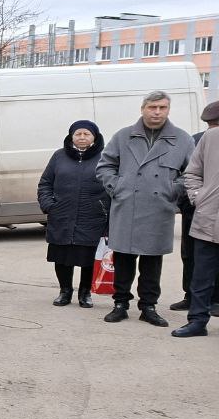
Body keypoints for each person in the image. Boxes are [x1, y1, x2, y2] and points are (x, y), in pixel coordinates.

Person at [95, 90, 194, 327]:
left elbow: (191, 173)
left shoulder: (182, 139)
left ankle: (148, 306)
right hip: (127, 206)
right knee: (123, 258)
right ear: (143, 109)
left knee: (152, 261)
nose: (157, 112)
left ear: (168, 110)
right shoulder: (123, 136)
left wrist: (172, 190)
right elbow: (104, 166)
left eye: (162, 107)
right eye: (152, 107)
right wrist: (118, 187)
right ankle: (120, 304)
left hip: (159, 209)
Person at [37, 120, 110, 308]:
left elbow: (113, 187)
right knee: (62, 257)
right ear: (71, 136)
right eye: (78, 134)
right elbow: (45, 183)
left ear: (95, 137)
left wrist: (106, 210)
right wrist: (49, 205)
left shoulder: (105, 157)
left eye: (87, 134)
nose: (82, 137)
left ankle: (85, 293)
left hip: (93, 217)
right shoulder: (59, 156)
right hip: (62, 216)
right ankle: (65, 291)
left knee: (88, 258)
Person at [172, 102, 219, 337]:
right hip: (209, 219)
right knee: (202, 277)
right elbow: (192, 172)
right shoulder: (211, 138)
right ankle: (197, 322)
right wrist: (199, 197)